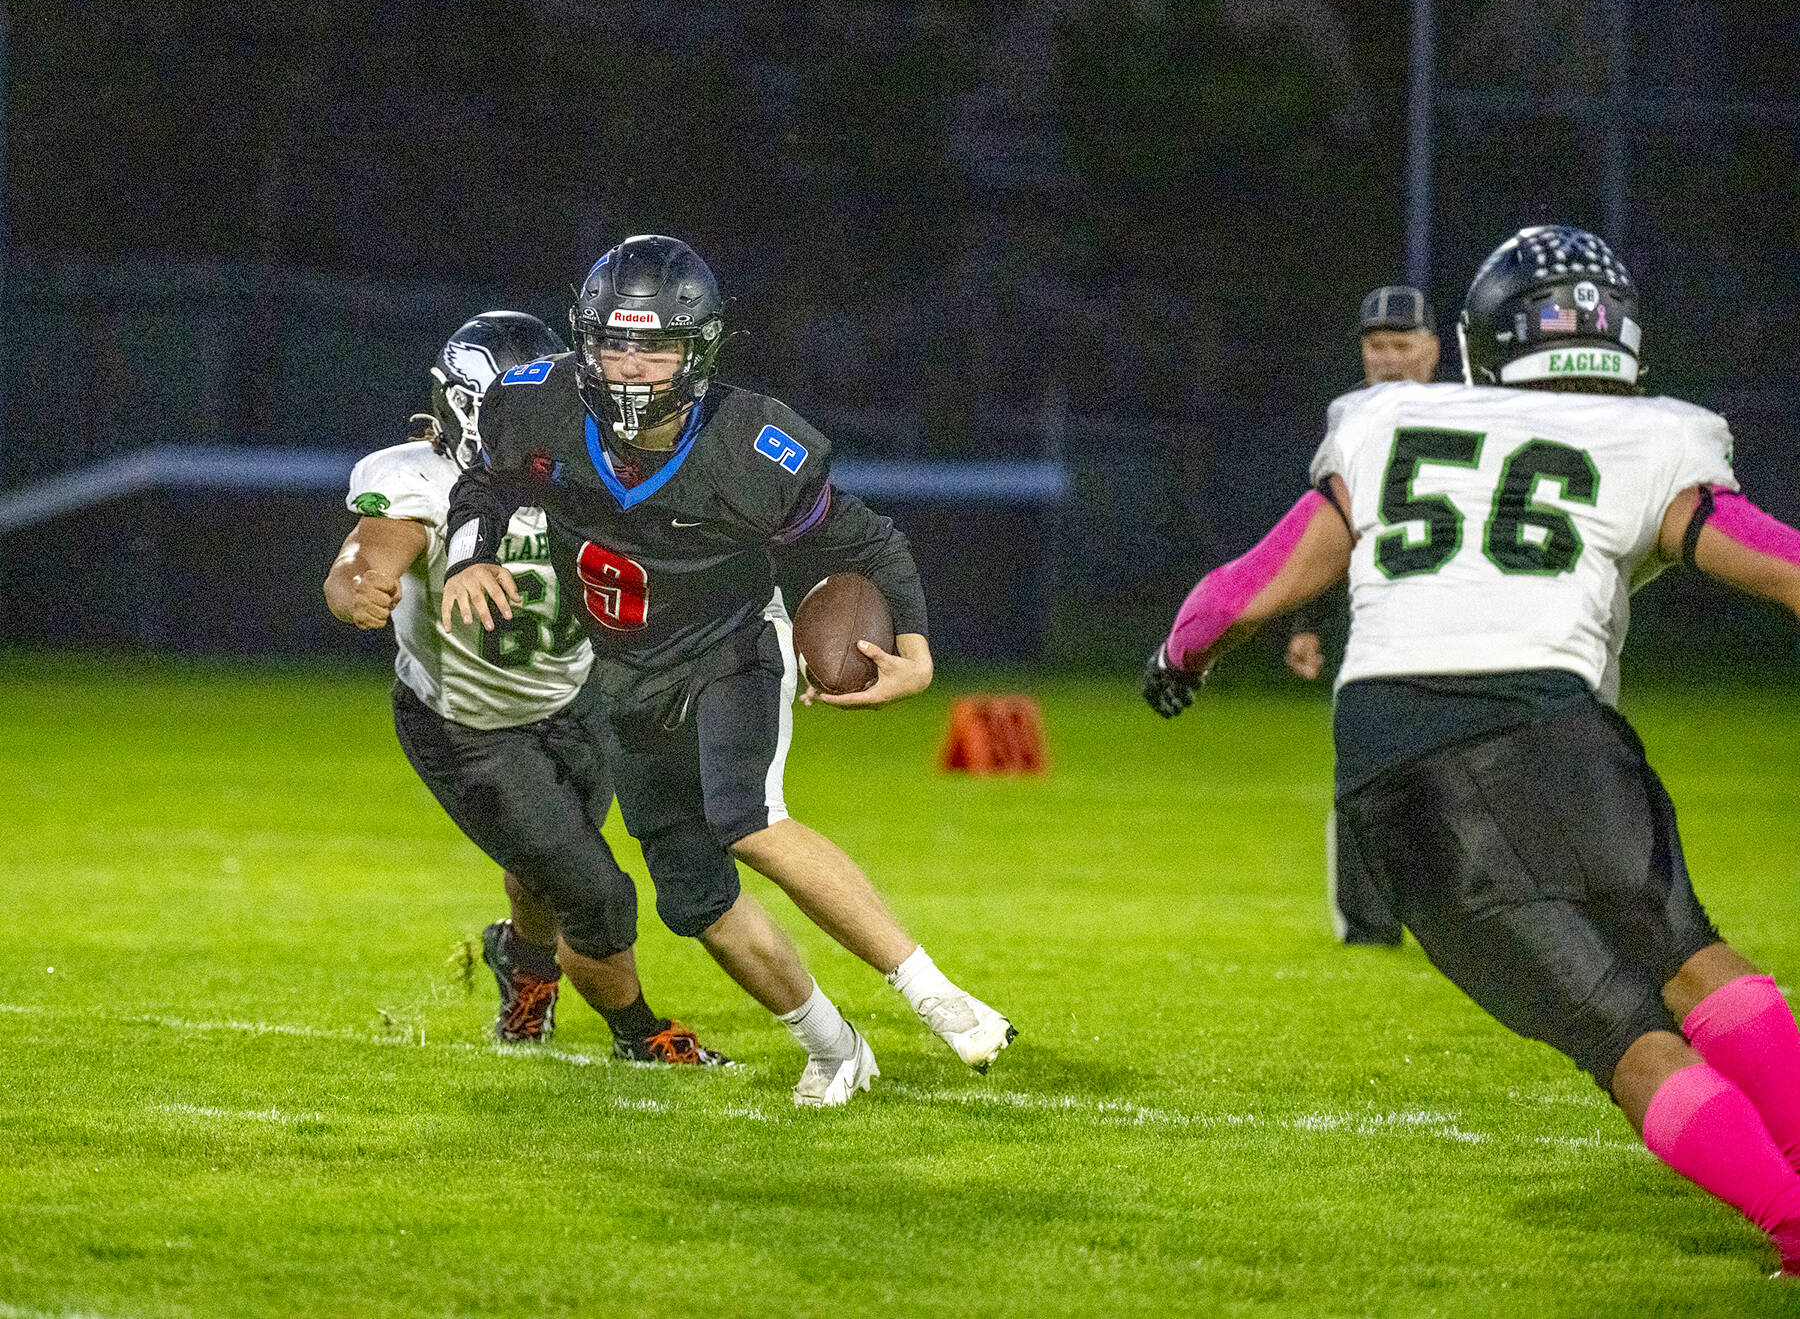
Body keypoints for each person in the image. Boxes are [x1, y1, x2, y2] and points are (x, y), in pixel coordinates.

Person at [1143, 225, 1800, 1275]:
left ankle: (1795, 1220)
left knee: (1624, 1040)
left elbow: (1256, 579)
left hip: (1405, 768)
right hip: (1563, 736)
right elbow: (1775, 562)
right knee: (1692, 958)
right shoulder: (1654, 438)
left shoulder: (1388, 421)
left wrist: (1182, 652)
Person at [440, 235, 1015, 1107]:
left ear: (699, 350)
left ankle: (935, 992)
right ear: (583, 340)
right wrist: (466, 558)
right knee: (695, 898)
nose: (632, 368)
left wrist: (920, 651)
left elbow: (866, 541)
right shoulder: (537, 407)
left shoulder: (753, 445)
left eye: (656, 346)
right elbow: (484, 484)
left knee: (746, 817)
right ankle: (833, 1047)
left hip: (732, 649)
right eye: (615, 343)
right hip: (626, 675)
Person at [325, 310, 724, 1065]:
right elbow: (366, 554)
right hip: (465, 724)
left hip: (576, 700)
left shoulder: (591, 466)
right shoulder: (419, 474)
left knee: (548, 862)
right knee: (596, 891)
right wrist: (359, 586)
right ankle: (638, 1033)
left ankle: (524, 965)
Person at [1288, 285, 1441, 948]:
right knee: (1368, 768)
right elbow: (1332, 526)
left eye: (1401, 344)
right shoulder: (1349, 414)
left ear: (1433, 349)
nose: (1387, 357)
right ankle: (1371, 924)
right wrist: (1307, 619)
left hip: (1460, 610)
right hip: (1378, 613)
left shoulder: (1472, 411)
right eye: (1376, 345)